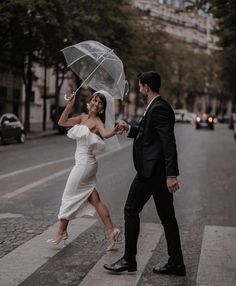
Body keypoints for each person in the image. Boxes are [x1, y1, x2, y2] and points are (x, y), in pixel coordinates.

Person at [104, 71, 186, 275]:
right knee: (167, 217)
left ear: (147, 87)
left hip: (151, 172)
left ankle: (129, 260)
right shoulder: (157, 107)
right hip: (157, 172)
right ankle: (176, 262)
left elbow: (168, 141)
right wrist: (128, 128)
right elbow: (148, 134)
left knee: (130, 209)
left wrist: (172, 174)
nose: (139, 89)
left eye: (140, 86)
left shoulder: (158, 108)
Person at [47, 90, 121, 251]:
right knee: (95, 200)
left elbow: (106, 133)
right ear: (90, 102)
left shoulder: (96, 122)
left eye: (100, 103)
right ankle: (111, 230)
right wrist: (69, 104)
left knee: (68, 195)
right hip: (84, 163)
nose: (96, 104)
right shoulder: (82, 118)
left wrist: (115, 130)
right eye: (94, 100)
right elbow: (62, 121)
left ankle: (61, 231)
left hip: (85, 164)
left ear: (102, 108)